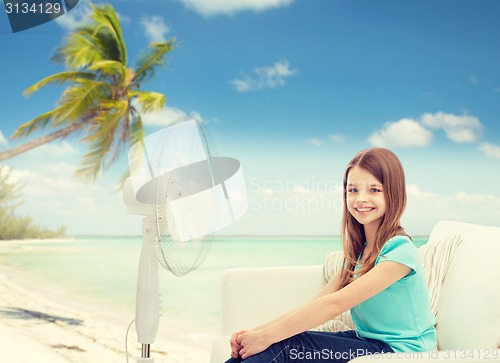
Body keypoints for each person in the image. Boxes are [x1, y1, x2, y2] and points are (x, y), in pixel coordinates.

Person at [225, 147, 437, 363]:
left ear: (394, 193)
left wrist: (265, 337)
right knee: (271, 345)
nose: (361, 199)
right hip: (366, 342)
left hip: (401, 352)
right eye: (353, 190)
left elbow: (333, 305)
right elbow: (317, 303)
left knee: (285, 348)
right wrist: (253, 334)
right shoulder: (359, 253)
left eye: (374, 190)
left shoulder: (399, 252)